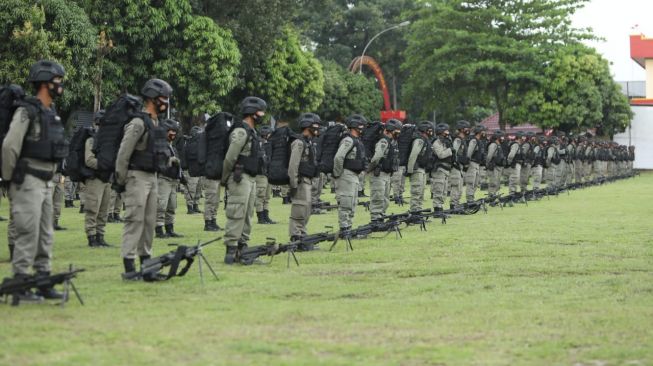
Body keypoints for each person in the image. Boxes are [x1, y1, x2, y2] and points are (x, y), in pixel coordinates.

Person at [1, 60, 68, 301]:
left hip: (46, 181)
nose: (60, 86)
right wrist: (9, 179)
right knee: (27, 232)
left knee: (45, 233)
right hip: (27, 180)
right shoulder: (26, 111)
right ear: (45, 83)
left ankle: (42, 279)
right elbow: (10, 146)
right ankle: (20, 281)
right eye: (58, 82)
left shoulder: (50, 113)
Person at [115, 78, 173, 281]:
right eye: (163, 98)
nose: (166, 102)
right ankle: (129, 265)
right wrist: (121, 181)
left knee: (149, 222)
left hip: (152, 176)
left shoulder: (156, 122)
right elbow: (124, 153)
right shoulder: (138, 122)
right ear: (152, 98)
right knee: (135, 220)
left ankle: (146, 262)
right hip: (136, 177)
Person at [222, 96, 266, 264]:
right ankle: (231, 252)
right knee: (237, 213)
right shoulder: (241, 131)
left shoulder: (251, 131)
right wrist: (225, 178)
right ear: (252, 113)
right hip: (240, 178)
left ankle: (243, 249)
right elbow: (230, 157)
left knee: (247, 214)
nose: (262, 115)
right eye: (260, 112)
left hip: (251, 178)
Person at [288, 113, 321, 247]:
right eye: (315, 126)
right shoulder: (299, 143)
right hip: (301, 181)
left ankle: (302, 236)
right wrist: (293, 184)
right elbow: (293, 165)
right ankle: (296, 238)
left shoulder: (308, 142)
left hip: (308, 180)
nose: (317, 129)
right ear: (307, 126)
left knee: (306, 210)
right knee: (299, 211)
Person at [333, 115, 368, 233]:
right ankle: (344, 229)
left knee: (352, 203)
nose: (363, 128)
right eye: (361, 126)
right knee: (346, 203)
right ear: (355, 127)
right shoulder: (348, 140)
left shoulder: (356, 140)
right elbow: (338, 157)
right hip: (346, 175)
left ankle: (348, 227)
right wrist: (338, 174)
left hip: (354, 175)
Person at [83, 110, 112, 248]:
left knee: (104, 210)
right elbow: (89, 160)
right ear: (95, 123)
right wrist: (104, 165)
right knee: (92, 209)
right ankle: (91, 237)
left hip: (106, 179)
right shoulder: (91, 140)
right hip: (95, 179)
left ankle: (100, 236)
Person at [155, 119, 184, 238]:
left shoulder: (172, 147)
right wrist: (169, 161)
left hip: (173, 180)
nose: (174, 134)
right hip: (163, 179)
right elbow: (158, 164)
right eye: (171, 131)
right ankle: (159, 229)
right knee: (161, 205)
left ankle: (169, 228)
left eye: (175, 131)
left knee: (171, 206)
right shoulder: (159, 145)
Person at [368, 119, 401, 221]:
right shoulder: (383, 141)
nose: (398, 134)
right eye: (396, 132)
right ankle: (375, 218)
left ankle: (380, 216)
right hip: (379, 173)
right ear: (390, 130)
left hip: (386, 174)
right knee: (378, 197)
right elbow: (377, 157)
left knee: (385, 198)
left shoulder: (391, 142)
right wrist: (369, 169)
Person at [406, 121, 434, 213]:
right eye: (429, 130)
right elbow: (413, 155)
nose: (431, 132)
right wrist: (410, 170)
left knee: (420, 192)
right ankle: (414, 212)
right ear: (425, 130)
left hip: (422, 169)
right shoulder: (419, 140)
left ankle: (418, 211)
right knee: (416, 192)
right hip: (416, 169)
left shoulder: (425, 140)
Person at [255, 125, 275, 224]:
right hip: (261, 174)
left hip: (268, 173)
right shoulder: (259, 143)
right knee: (260, 196)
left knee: (267, 196)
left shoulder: (268, 144)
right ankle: (260, 217)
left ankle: (266, 216)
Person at [430, 123, 453, 212]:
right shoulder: (436, 143)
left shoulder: (445, 142)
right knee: (438, 190)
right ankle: (437, 209)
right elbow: (441, 155)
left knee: (444, 191)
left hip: (445, 169)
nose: (447, 134)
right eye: (446, 132)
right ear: (441, 133)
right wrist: (450, 150)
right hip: (439, 170)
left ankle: (440, 207)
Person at [450, 121, 470, 209]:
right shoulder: (458, 140)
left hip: (460, 166)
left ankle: (456, 204)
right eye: (466, 129)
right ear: (461, 129)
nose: (468, 130)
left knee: (460, 187)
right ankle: (453, 205)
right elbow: (454, 152)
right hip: (456, 166)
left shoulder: (462, 140)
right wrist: (456, 162)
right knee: (456, 186)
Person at [463, 125, 485, 204]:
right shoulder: (474, 141)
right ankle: (469, 200)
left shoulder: (479, 141)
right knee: (471, 182)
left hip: (477, 164)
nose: (484, 133)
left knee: (476, 183)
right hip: (472, 163)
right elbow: (469, 153)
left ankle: (471, 197)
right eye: (483, 131)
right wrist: (467, 163)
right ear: (479, 132)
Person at [485, 130, 504, 198]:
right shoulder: (493, 145)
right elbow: (489, 156)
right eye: (501, 137)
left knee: (497, 183)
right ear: (498, 137)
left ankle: (494, 196)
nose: (503, 138)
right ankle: (491, 197)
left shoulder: (498, 145)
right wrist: (487, 164)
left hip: (499, 166)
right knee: (493, 182)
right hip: (494, 166)